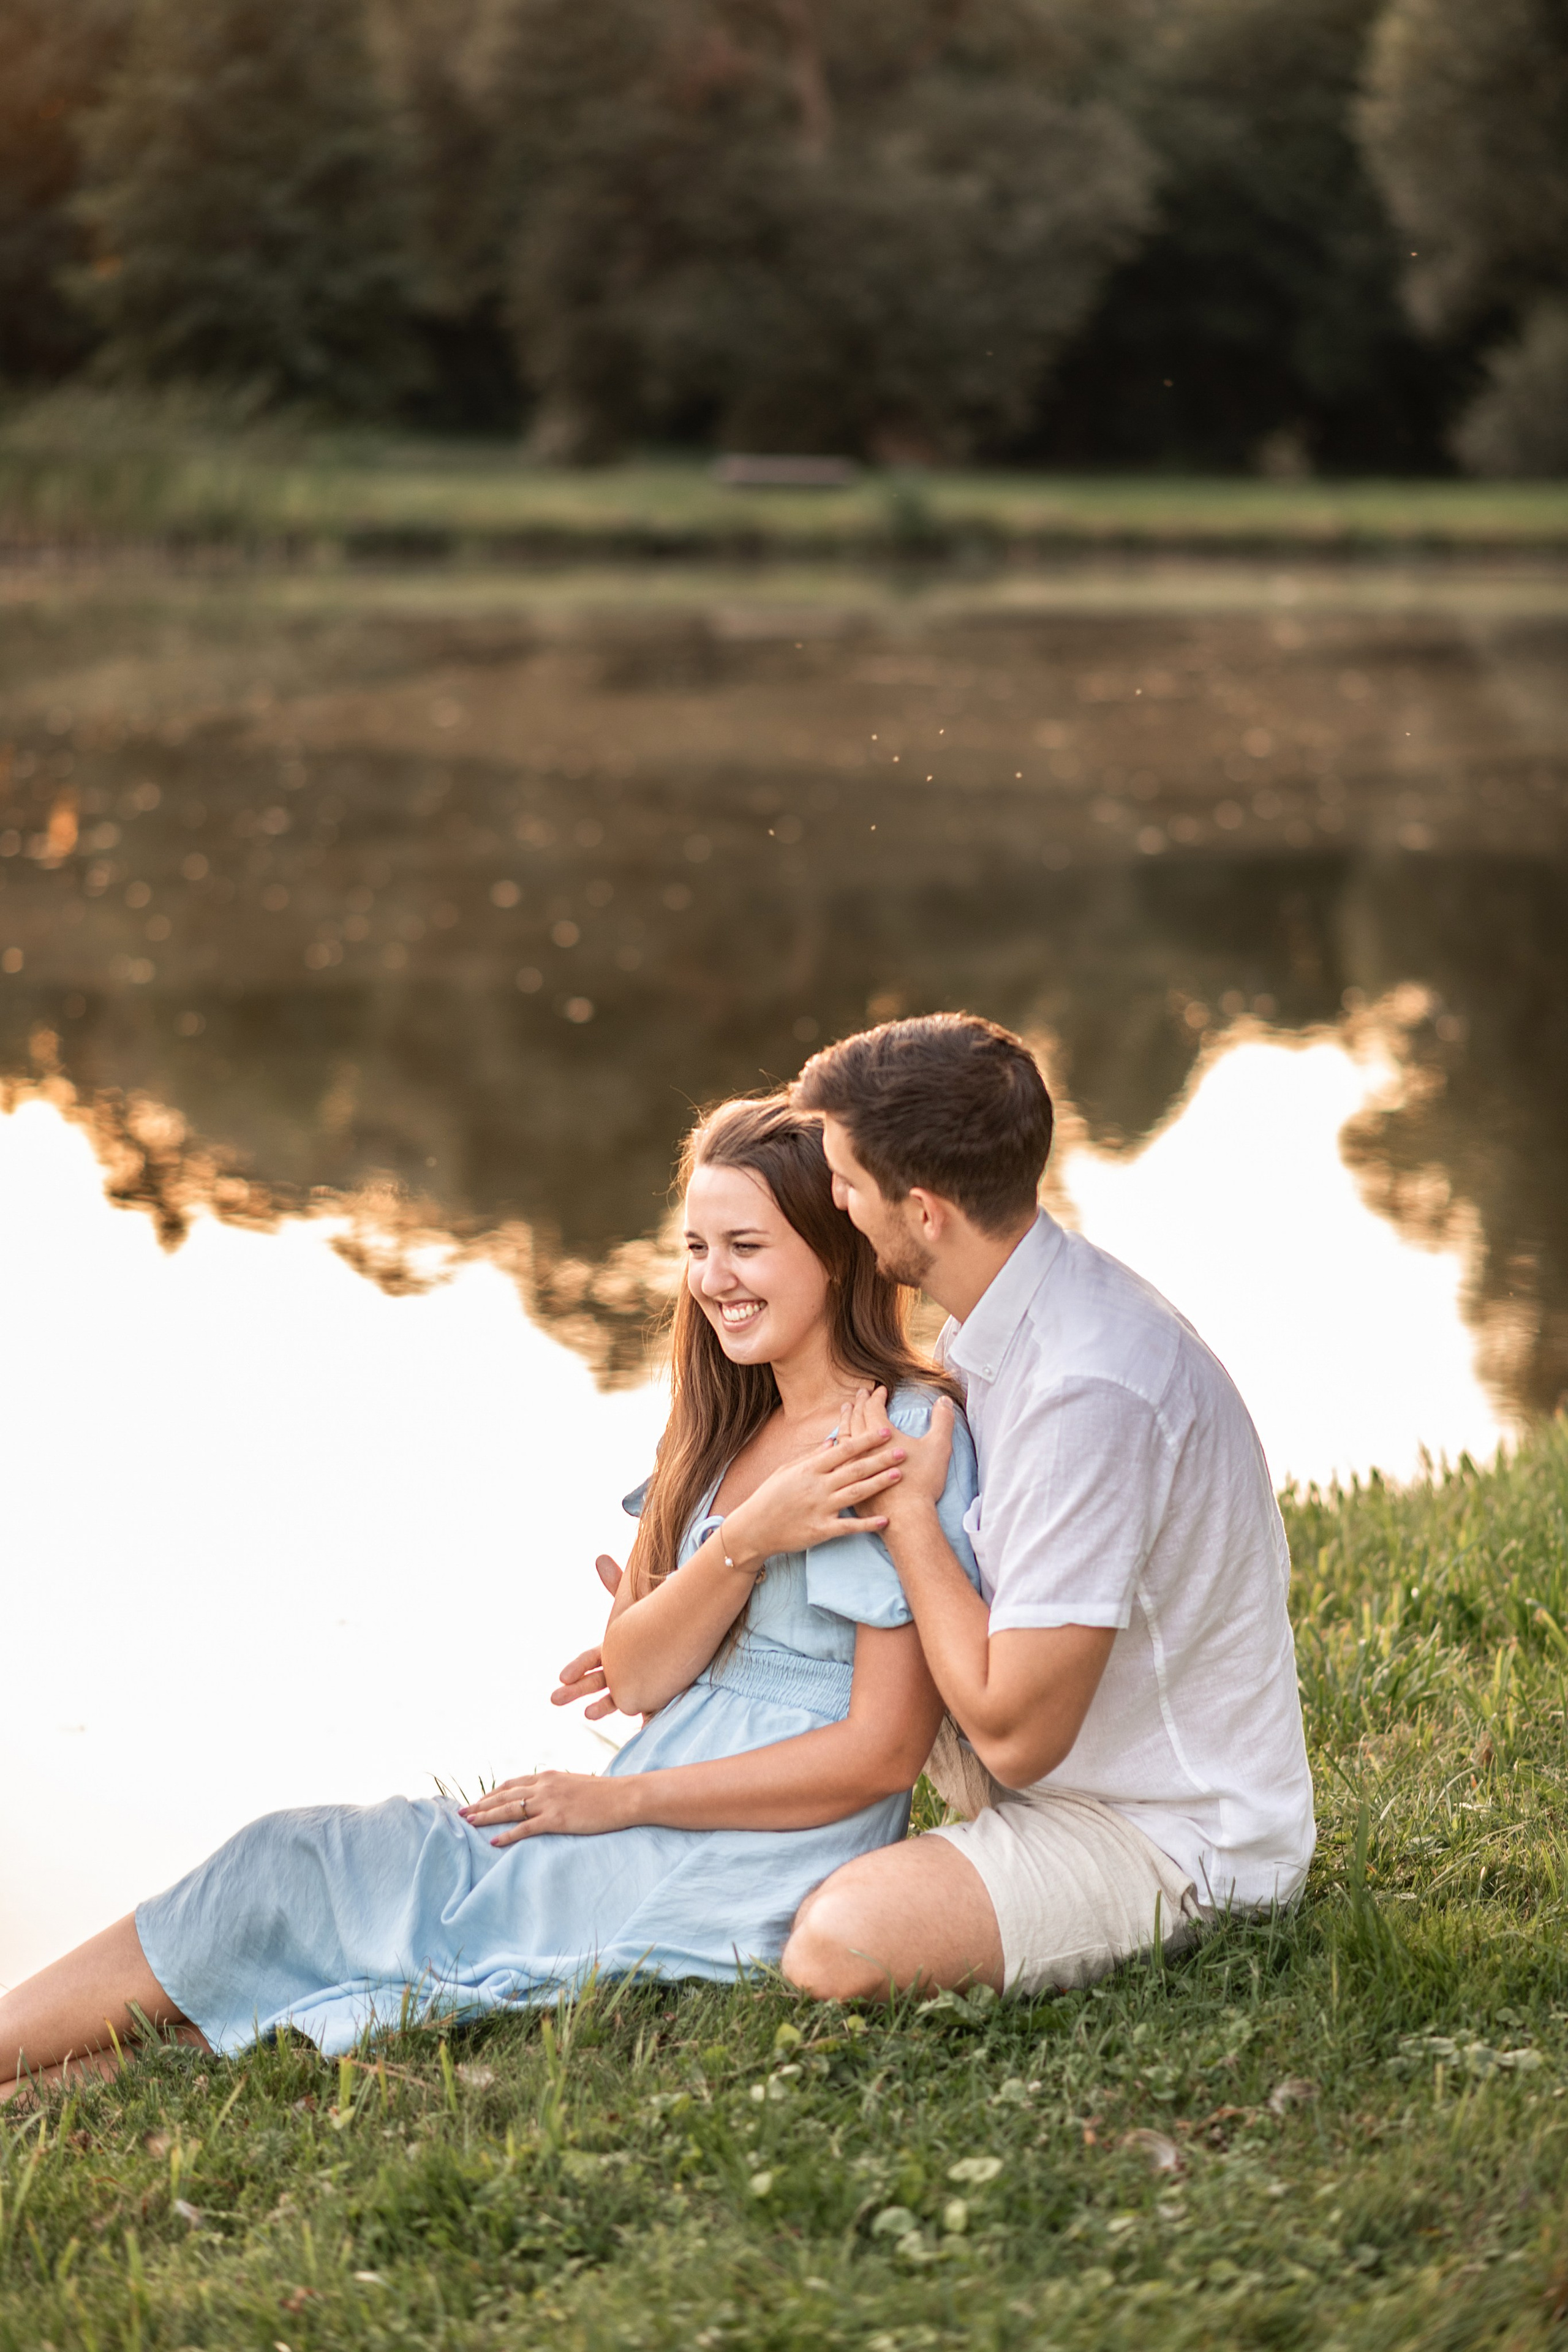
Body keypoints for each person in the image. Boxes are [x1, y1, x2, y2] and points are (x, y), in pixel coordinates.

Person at [0, 1097, 977, 2101]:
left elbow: (881, 1752)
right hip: (639, 1808)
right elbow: (640, 1674)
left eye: (745, 1246)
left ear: (835, 1251)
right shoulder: (726, 1421)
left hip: (738, 1856)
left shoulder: (890, 1437)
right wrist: (753, 1537)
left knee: (335, 1921)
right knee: (292, 1859)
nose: (712, 1279)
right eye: (696, 1246)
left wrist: (621, 1798)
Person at [775, 1012, 1317, 2000]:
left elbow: (1018, 1739)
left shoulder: (1086, 1393)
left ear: (926, 1212)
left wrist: (907, 1518)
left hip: (1168, 1833)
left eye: (848, 1183)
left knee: (835, 1942)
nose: (835, 1203)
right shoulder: (1020, 1314)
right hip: (1070, 1779)